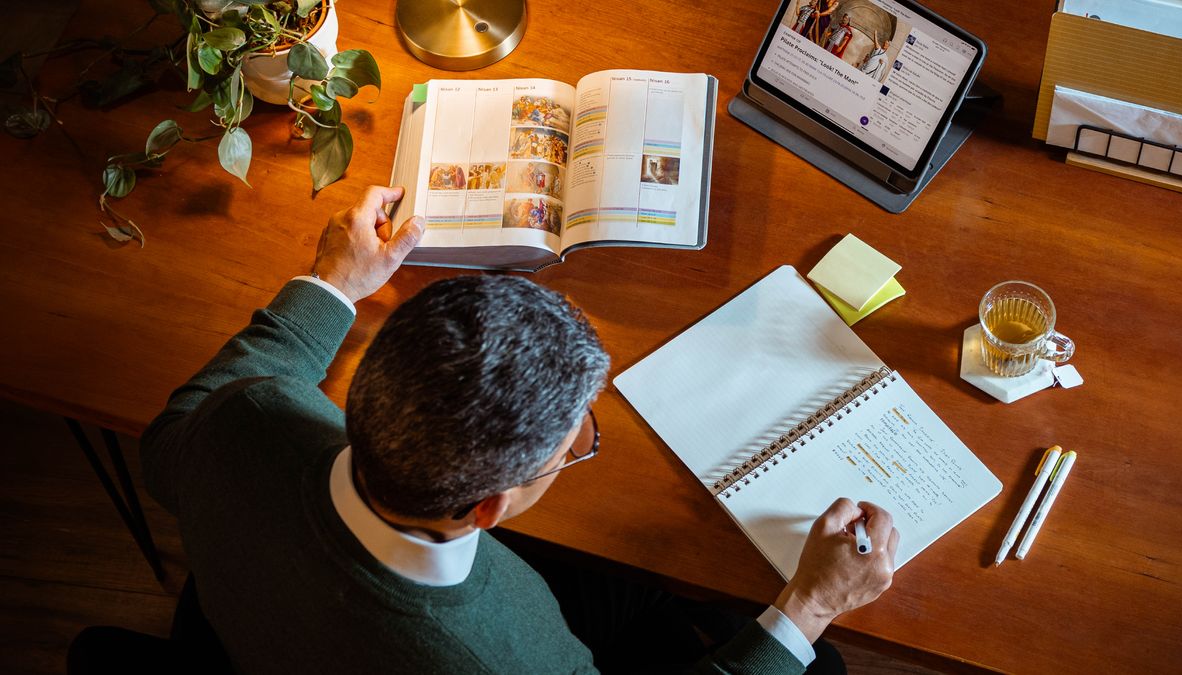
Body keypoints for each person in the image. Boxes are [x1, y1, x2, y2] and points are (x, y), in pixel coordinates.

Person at [140, 185, 899, 673]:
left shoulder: (246, 416)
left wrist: (334, 283)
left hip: (271, 607)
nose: (575, 448)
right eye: (572, 447)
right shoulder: (500, 658)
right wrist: (811, 605)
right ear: (487, 508)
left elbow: (167, 440)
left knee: (645, 588)